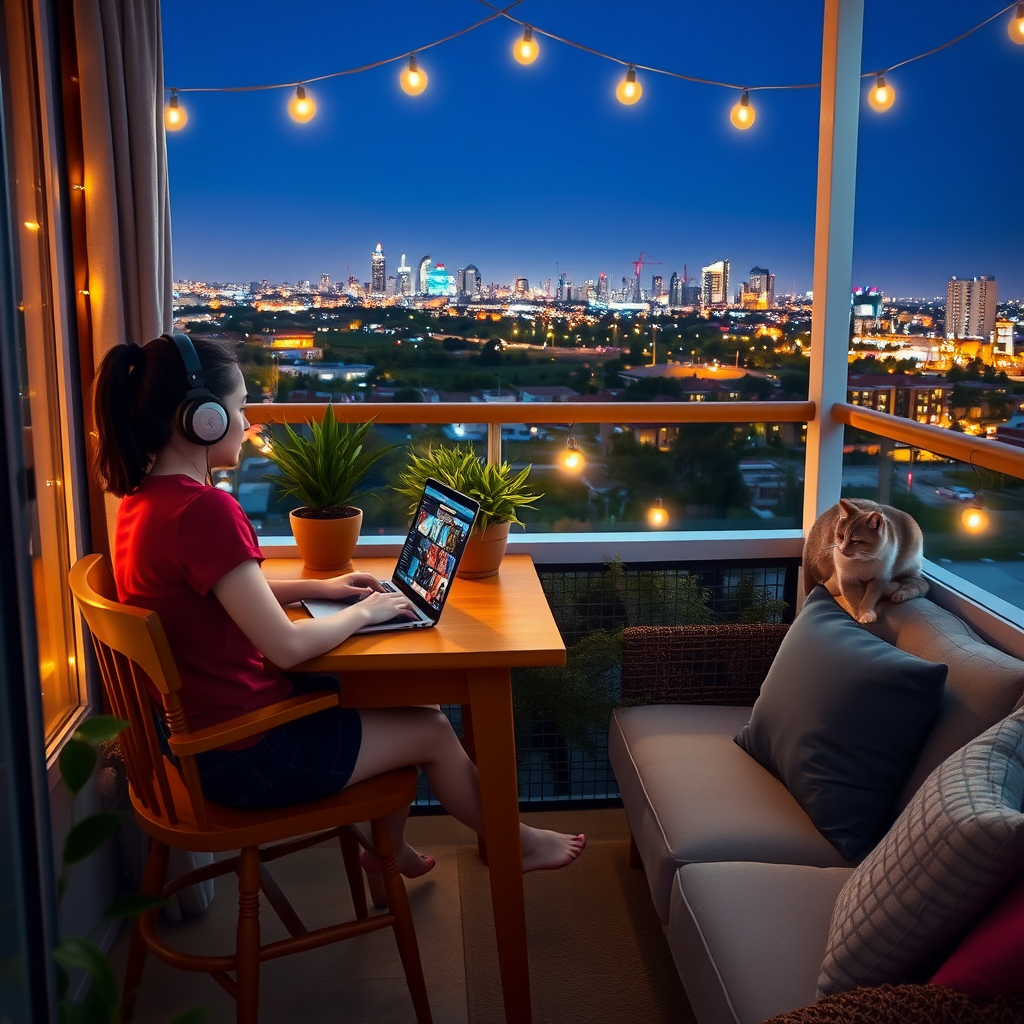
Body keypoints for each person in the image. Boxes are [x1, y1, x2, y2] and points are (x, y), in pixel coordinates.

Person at [92, 334, 585, 878]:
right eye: (238, 408)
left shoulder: (139, 506)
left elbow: (203, 597)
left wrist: (318, 590)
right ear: (200, 420)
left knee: (409, 703)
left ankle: (389, 853)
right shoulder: (204, 511)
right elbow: (285, 646)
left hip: (198, 749)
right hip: (247, 754)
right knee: (433, 730)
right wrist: (364, 613)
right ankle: (517, 844)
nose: (247, 422)